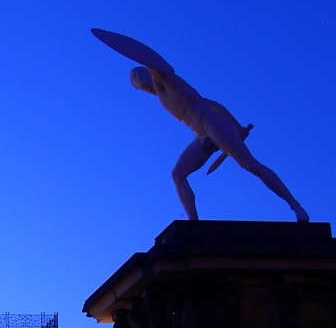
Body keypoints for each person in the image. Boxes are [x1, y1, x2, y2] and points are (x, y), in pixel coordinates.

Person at [128, 63, 309, 222]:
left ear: (149, 72)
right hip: (202, 136)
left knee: (250, 165)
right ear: (137, 88)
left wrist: (237, 127)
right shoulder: (162, 99)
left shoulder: (169, 82)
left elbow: (214, 106)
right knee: (177, 174)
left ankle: (296, 206)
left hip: (214, 125)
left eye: (138, 73)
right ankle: (194, 224)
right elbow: (213, 103)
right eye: (133, 79)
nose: (136, 77)